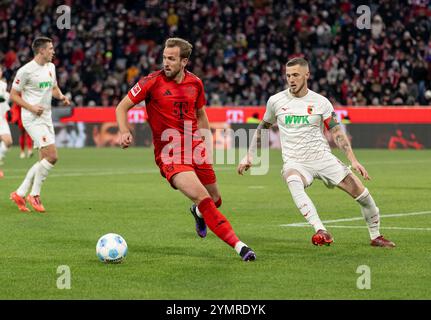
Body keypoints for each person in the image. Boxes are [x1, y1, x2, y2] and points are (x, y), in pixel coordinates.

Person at [116, 37, 256, 261]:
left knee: (215, 199)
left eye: (171, 59)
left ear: (184, 62)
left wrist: (207, 146)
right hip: (170, 154)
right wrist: (124, 131)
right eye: (164, 58)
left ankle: (197, 213)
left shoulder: (196, 84)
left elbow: (201, 115)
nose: (166, 63)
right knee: (205, 199)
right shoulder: (151, 82)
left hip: (196, 148)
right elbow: (122, 106)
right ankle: (240, 247)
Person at [238, 57, 395, 248]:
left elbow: (337, 132)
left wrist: (353, 160)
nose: (291, 79)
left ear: (307, 75)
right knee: (292, 180)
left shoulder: (321, 102)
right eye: (288, 76)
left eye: (295, 75)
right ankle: (320, 230)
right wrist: (249, 155)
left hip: (322, 158)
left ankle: (375, 236)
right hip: (295, 161)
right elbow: (263, 127)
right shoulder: (276, 101)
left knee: (363, 196)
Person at [9, 36, 70, 213]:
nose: (53, 51)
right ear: (41, 50)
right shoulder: (25, 71)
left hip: (46, 117)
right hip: (32, 118)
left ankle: (21, 193)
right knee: (52, 156)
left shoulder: (51, 67)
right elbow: (14, 95)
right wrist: (31, 107)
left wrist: (62, 96)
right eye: (50, 48)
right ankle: (32, 194)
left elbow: (53, 88)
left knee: (43, 159)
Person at [0, 68, 12, 177]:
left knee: (8, 141)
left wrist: (8, 110)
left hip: (1, 118)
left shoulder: (3, 85)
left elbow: (4, 100)